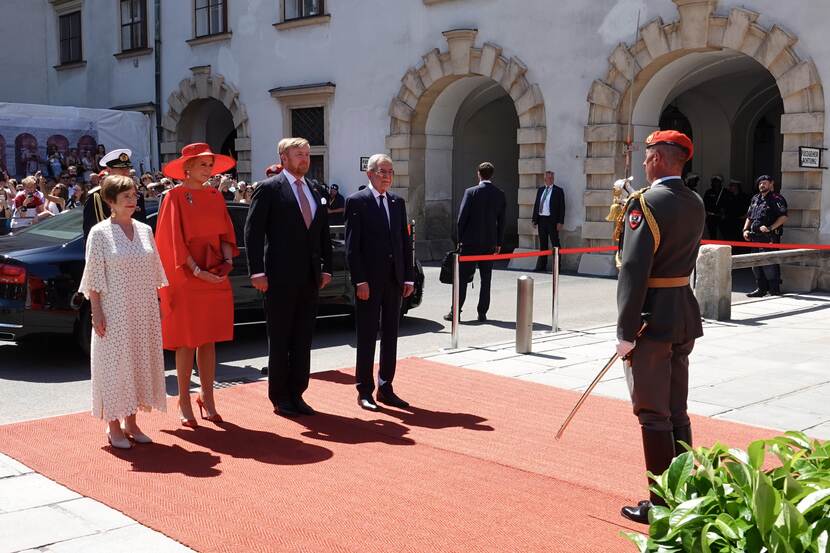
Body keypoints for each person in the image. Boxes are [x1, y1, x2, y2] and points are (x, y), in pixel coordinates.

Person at [615, 130, 705, 524]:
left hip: (651, 319)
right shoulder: (695, 201)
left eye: (649, 154)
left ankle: (662, 506)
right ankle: (687, 493)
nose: (645, 160)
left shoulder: (646, 203)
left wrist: (624, 330)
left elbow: (634, 270)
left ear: (658, 159)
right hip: (682, 310)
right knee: (677, 408)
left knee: (653, 411)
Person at [78, 174, 168, 449]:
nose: (132, 200)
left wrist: (158, 304)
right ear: (110, 202)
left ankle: (132, 422)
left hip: (143, 310)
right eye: (126, 196)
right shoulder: (100, 233)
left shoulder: (144, 230)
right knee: (115, 367)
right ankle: (113, 425)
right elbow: (93, 276)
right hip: (114, 310)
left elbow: (154, 271)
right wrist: (97, 312)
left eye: (133, 195)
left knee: (138, 364)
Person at [244, 137, 332, 417]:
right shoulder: (269, 189)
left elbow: (323, 233)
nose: (304, 159)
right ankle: (280, 395)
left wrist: (327, 267)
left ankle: (298, 392)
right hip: (279, 277)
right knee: (281, 338)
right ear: (283, 157)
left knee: (303, 338)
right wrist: (257, 271)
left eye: (307, 154)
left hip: (309, 277)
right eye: (298, 154)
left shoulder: (315, 188)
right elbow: (253, 232)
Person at [156, 143, 239, 427]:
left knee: (209, 338)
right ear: (187, 168)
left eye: (210, 164)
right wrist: (196, 270)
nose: (208, 168)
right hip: (187, 277)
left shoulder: (216, 195)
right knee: (187, 341)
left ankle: (208, 396)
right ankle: (183, 398)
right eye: (203, 164)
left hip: (214, 274)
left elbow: (227, 234)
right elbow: (171, 240)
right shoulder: (174, 196)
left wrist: (226, 264)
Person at [345, 154, 415, 411]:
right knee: (366, 335)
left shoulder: (397, 202)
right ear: (370, 174)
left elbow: (403, 242)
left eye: (390, 171)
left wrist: (408, 276)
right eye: (381, 171)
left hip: (394, 280)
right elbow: (353, 247)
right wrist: (360, 280)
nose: (386, 176)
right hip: (369, 281)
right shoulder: (357, 201)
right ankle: (364, 391)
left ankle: (386, 387)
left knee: (391, 335)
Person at [443, 162, 506, 323]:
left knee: (462, 279)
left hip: (470, 243)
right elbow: (502, 221)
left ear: (479, 173)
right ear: (491, 175)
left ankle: (455, 311)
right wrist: (498, 242)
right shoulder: (499, 194)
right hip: (489, 243)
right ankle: (482, 313)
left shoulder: (470, 192)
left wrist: (460, 240)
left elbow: (461, 219)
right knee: (486, 279)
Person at [83, 149, 146, 239]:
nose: (125, 172)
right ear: (109, 170)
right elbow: (89, 234)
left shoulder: (137, 195)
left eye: (127, 168)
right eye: (121, 168)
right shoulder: (96, 197)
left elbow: (142, 228)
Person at [743, 175, 788, 297]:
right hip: (755, 237)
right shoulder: (755, 198)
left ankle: (774, 290)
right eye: (760, 183)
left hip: (769, 238)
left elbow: (783, 217)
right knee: (755, 264)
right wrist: (745, 229)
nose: (762, 185)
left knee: (769, 264)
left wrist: (770, 228)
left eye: (764, 183)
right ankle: (761, 289)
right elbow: (749, 216)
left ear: (771, 184)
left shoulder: (776, 198)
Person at [531, 170, 565, 272]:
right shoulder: (541, 190)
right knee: (543, 244)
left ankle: (557, 267)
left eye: (552, 178)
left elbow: (562, 207)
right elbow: (537, 204)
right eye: (549, 178)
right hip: (542, 220)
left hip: (552, 220)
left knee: (555, 243)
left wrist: (560, 222)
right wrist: (534, 219)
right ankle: (542, 266)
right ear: (544, 179)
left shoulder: (558, 191)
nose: (551, 179)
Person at [702, 175, 725, 239]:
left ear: (720, 182)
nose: (715, 183)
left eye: (717, 181)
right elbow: (705, 203)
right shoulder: (708, 192)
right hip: (711, 216)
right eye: (714, 181)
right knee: (712, 234)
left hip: (722, 216)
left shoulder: (724, 192)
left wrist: (724, 212)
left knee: (724, 233)